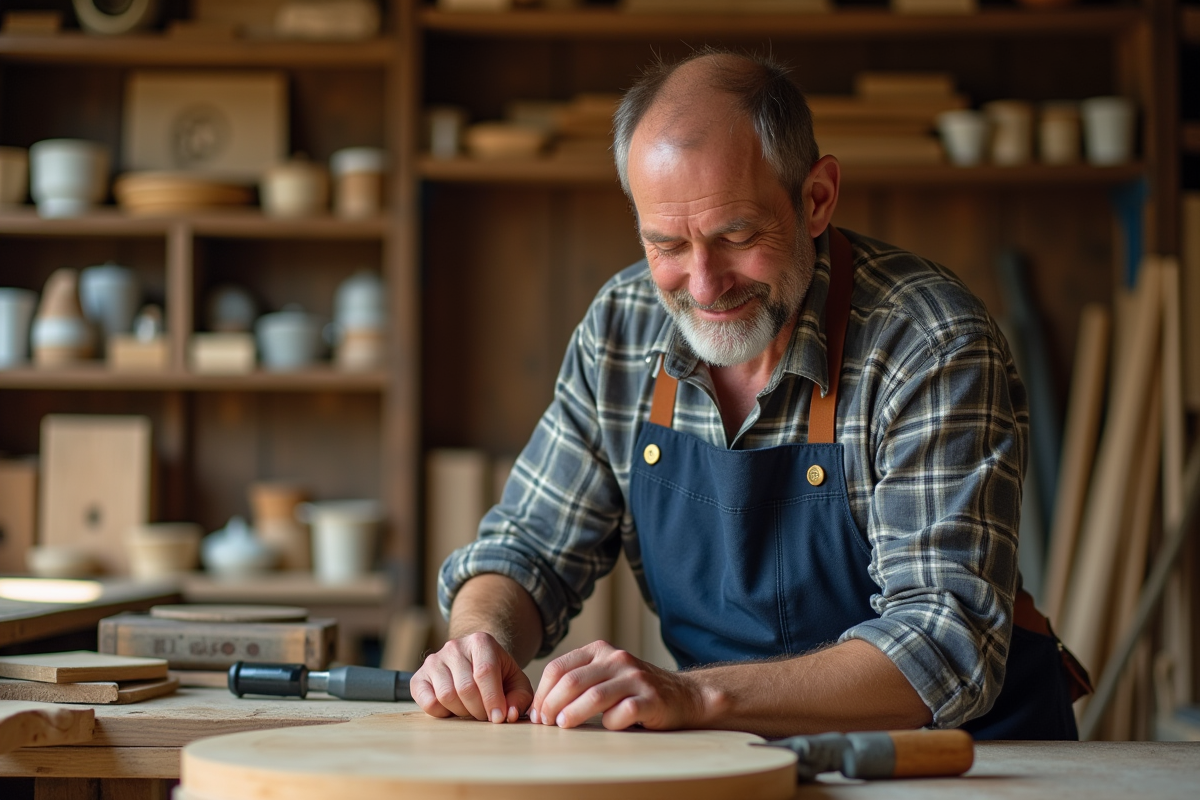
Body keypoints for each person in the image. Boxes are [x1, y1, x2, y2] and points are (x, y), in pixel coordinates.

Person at [411, 49, 1086, 740]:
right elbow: (529, 547)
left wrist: (695, 698)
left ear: (816, 198)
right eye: (667, 244)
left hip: (962, 763)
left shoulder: (929, 342)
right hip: (741, 754)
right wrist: (478, 640)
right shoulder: (624, 325)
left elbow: (944, 647)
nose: (704, 286)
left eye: (736, 235)